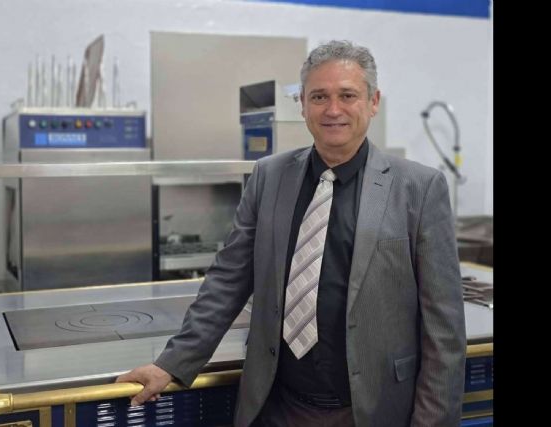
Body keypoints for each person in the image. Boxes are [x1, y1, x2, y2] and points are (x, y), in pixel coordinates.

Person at [116, 40, 466, 427]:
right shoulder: (269, 176)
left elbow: (444, 329)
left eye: (347, 95)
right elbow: (228, 279)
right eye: (319, 96)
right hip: (278, 407)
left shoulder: (419, 188)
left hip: (372, 411)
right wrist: (171, 363)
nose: (333, 110)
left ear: (373, 101)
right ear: (302, 104)